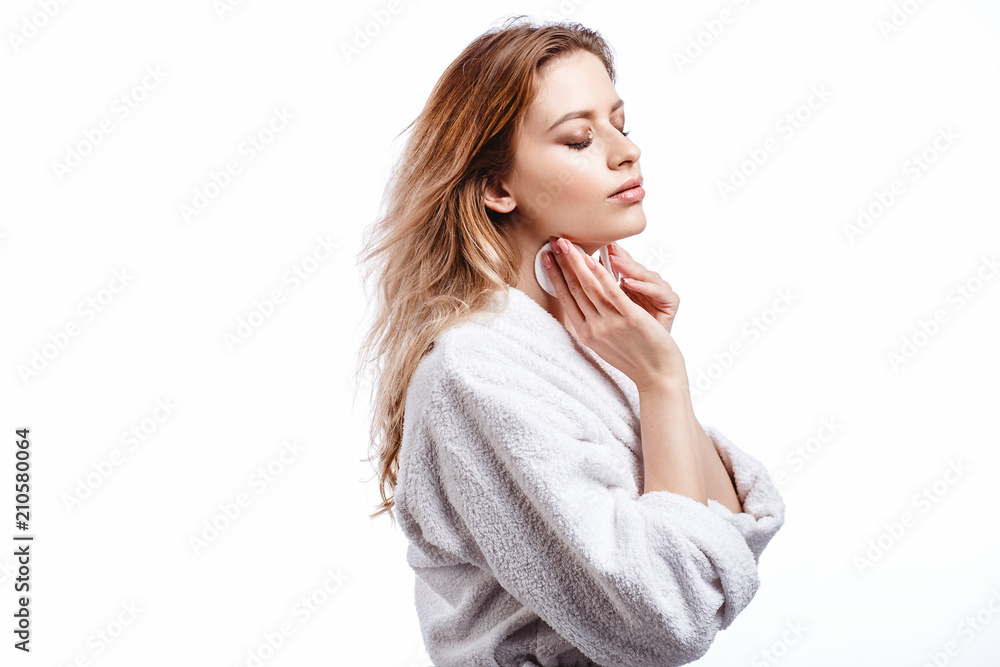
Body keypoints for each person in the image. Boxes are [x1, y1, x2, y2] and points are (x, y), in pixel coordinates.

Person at [355, 15, 786, 667]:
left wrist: (654, 373)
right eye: (580, 138)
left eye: (621, 124)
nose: (625, 151)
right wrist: (660, 380)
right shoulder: (473, 372)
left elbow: (723, 550)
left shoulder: (588, 346)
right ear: (497, 187)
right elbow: (670, 619)